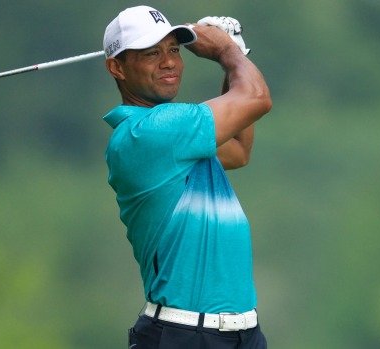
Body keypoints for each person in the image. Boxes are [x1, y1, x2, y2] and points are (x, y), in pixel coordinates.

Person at [102, 6, 272, 349]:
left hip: (243, 333)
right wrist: (226, 51)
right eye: (151, 53)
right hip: (185, 336)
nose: (168, 62)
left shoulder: (177, 134)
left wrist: (234, 54)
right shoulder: (147, 132)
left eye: (174, 50)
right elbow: (256, 99)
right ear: (116, 67)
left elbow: (239, 148)